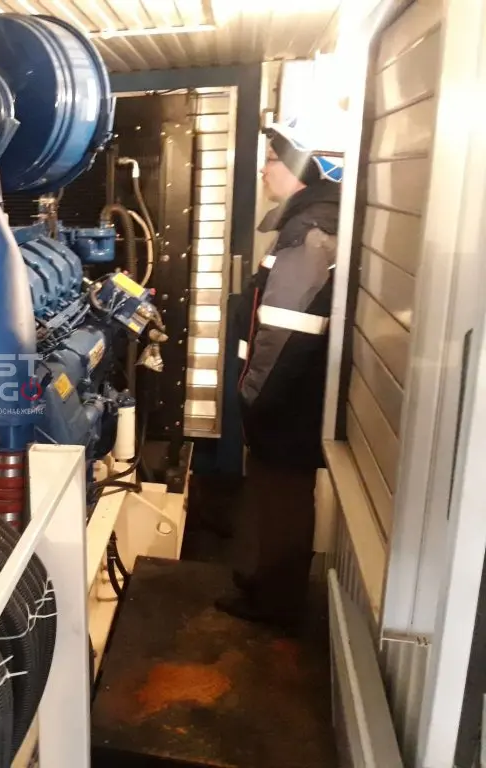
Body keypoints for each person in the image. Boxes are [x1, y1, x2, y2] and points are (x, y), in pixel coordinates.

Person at [216, 122, 343, 627]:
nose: (264, 170)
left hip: (285, 397)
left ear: (295, 169)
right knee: (275, 495)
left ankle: (277, 604)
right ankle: (265, 584)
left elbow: (287, 328)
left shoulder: (307, 234)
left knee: (284, 496)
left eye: (270, 160)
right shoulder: (309, 222)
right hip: (290, 394)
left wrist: (252, 393)